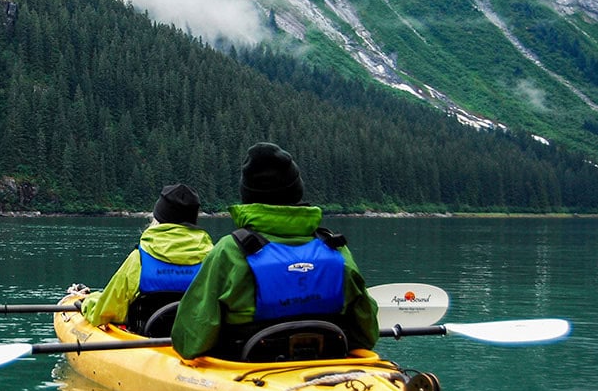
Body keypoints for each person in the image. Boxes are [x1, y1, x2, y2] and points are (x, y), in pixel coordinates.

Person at [171, 142, 380, 360]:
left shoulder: (230, 251)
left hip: (248, 376)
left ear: (247, 196)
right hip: (326, 372)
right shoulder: (337, 251)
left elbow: (189, 340)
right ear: (297, 190)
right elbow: (367, 335)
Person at [79, 183, 214, 337]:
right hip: (195, 340)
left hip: (146, 340)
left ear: (158, 218)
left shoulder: (139, 258)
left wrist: (88, 301)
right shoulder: (213, 259)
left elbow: (106, 312)